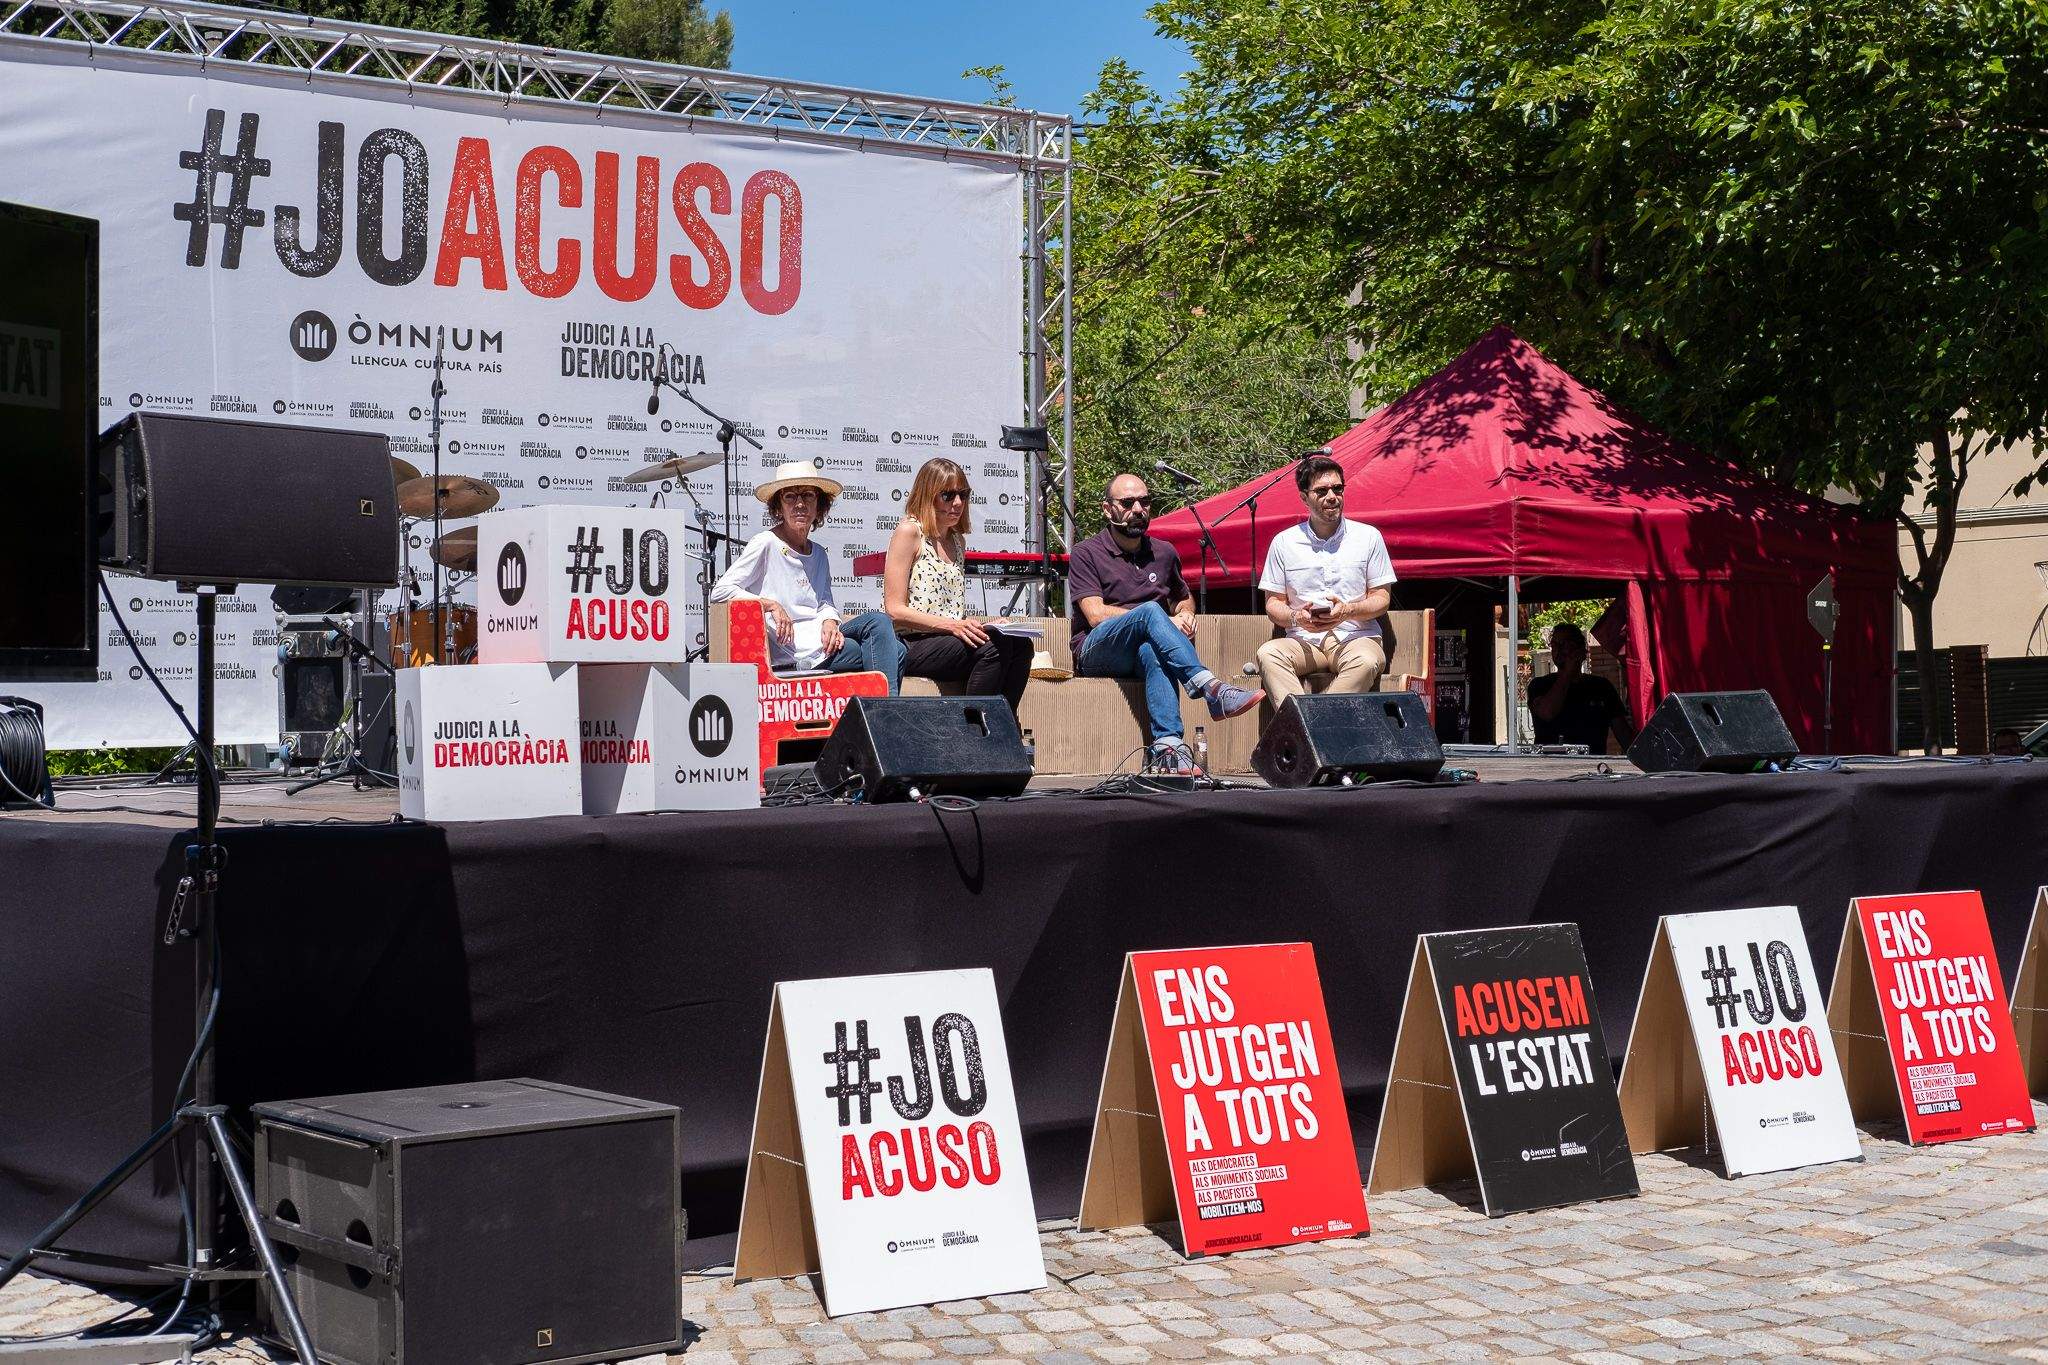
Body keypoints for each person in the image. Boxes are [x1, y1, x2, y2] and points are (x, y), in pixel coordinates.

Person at [1069, 472, 1264, 771]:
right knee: (1150, 612)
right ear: (1107, 509)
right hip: (1097, 651)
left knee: (1152, 651)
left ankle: (1169, 748)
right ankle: (1211, 689)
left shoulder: (1164, 552)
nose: (1138, 509)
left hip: (1141, 651)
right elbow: (1095, 615)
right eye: (1128, 502)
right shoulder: (1087, 552)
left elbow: (1182, 597)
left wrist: (1185, 614)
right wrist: (1158, 617)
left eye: (1145, 502)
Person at [712, 459, 904, 685]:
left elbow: (825, 602)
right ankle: (883, 718)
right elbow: (720, 591)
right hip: (796, 651)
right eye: (790, 497)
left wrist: (830, 621)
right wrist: (770, 604)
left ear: (819, 505)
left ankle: (875, 716)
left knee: (883, 629)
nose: (799, 504)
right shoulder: (766, 542)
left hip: (821, 640)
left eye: (807, 496)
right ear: (779, 507)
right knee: (893, 648)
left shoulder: (819, 553)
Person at [883, 457, 1032, 713]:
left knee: (1020, 645)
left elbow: (950, 612)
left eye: (963, 494)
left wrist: (983, 624)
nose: (958, 503)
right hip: (912, 642)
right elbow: (894, 610)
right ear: (928, 495)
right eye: (948, 495)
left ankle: (1006, 724)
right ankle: (973, 729)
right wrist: (955, 626)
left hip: (947, 638)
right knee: (992, 646)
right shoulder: (909, 532)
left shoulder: (957, 541)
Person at [1255, 452, 1398, 706]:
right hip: (1303, 640)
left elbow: (1382, 599)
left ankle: (1314, 726)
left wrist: (1348, 610)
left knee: (1367, 661)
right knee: (1268, 653)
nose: (1332, 496)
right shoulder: (1284, 542)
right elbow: (1273, 604)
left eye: (1337, 489)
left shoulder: (1368, 537)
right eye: (1321, 491)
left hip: (1356, 637)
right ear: (1304, 498)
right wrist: (1296, 617)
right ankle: (1305, 726)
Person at [1528, 621, 1636, 752]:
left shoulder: (1601, 687)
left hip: (1592, 766)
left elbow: (1624, 736)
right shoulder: (1540, 685)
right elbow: (1547, 712)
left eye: (1565, 644)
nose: (1559, 650)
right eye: (1555, 644)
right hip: (1550, 766)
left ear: (1580, 650)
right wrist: (1567, 673)